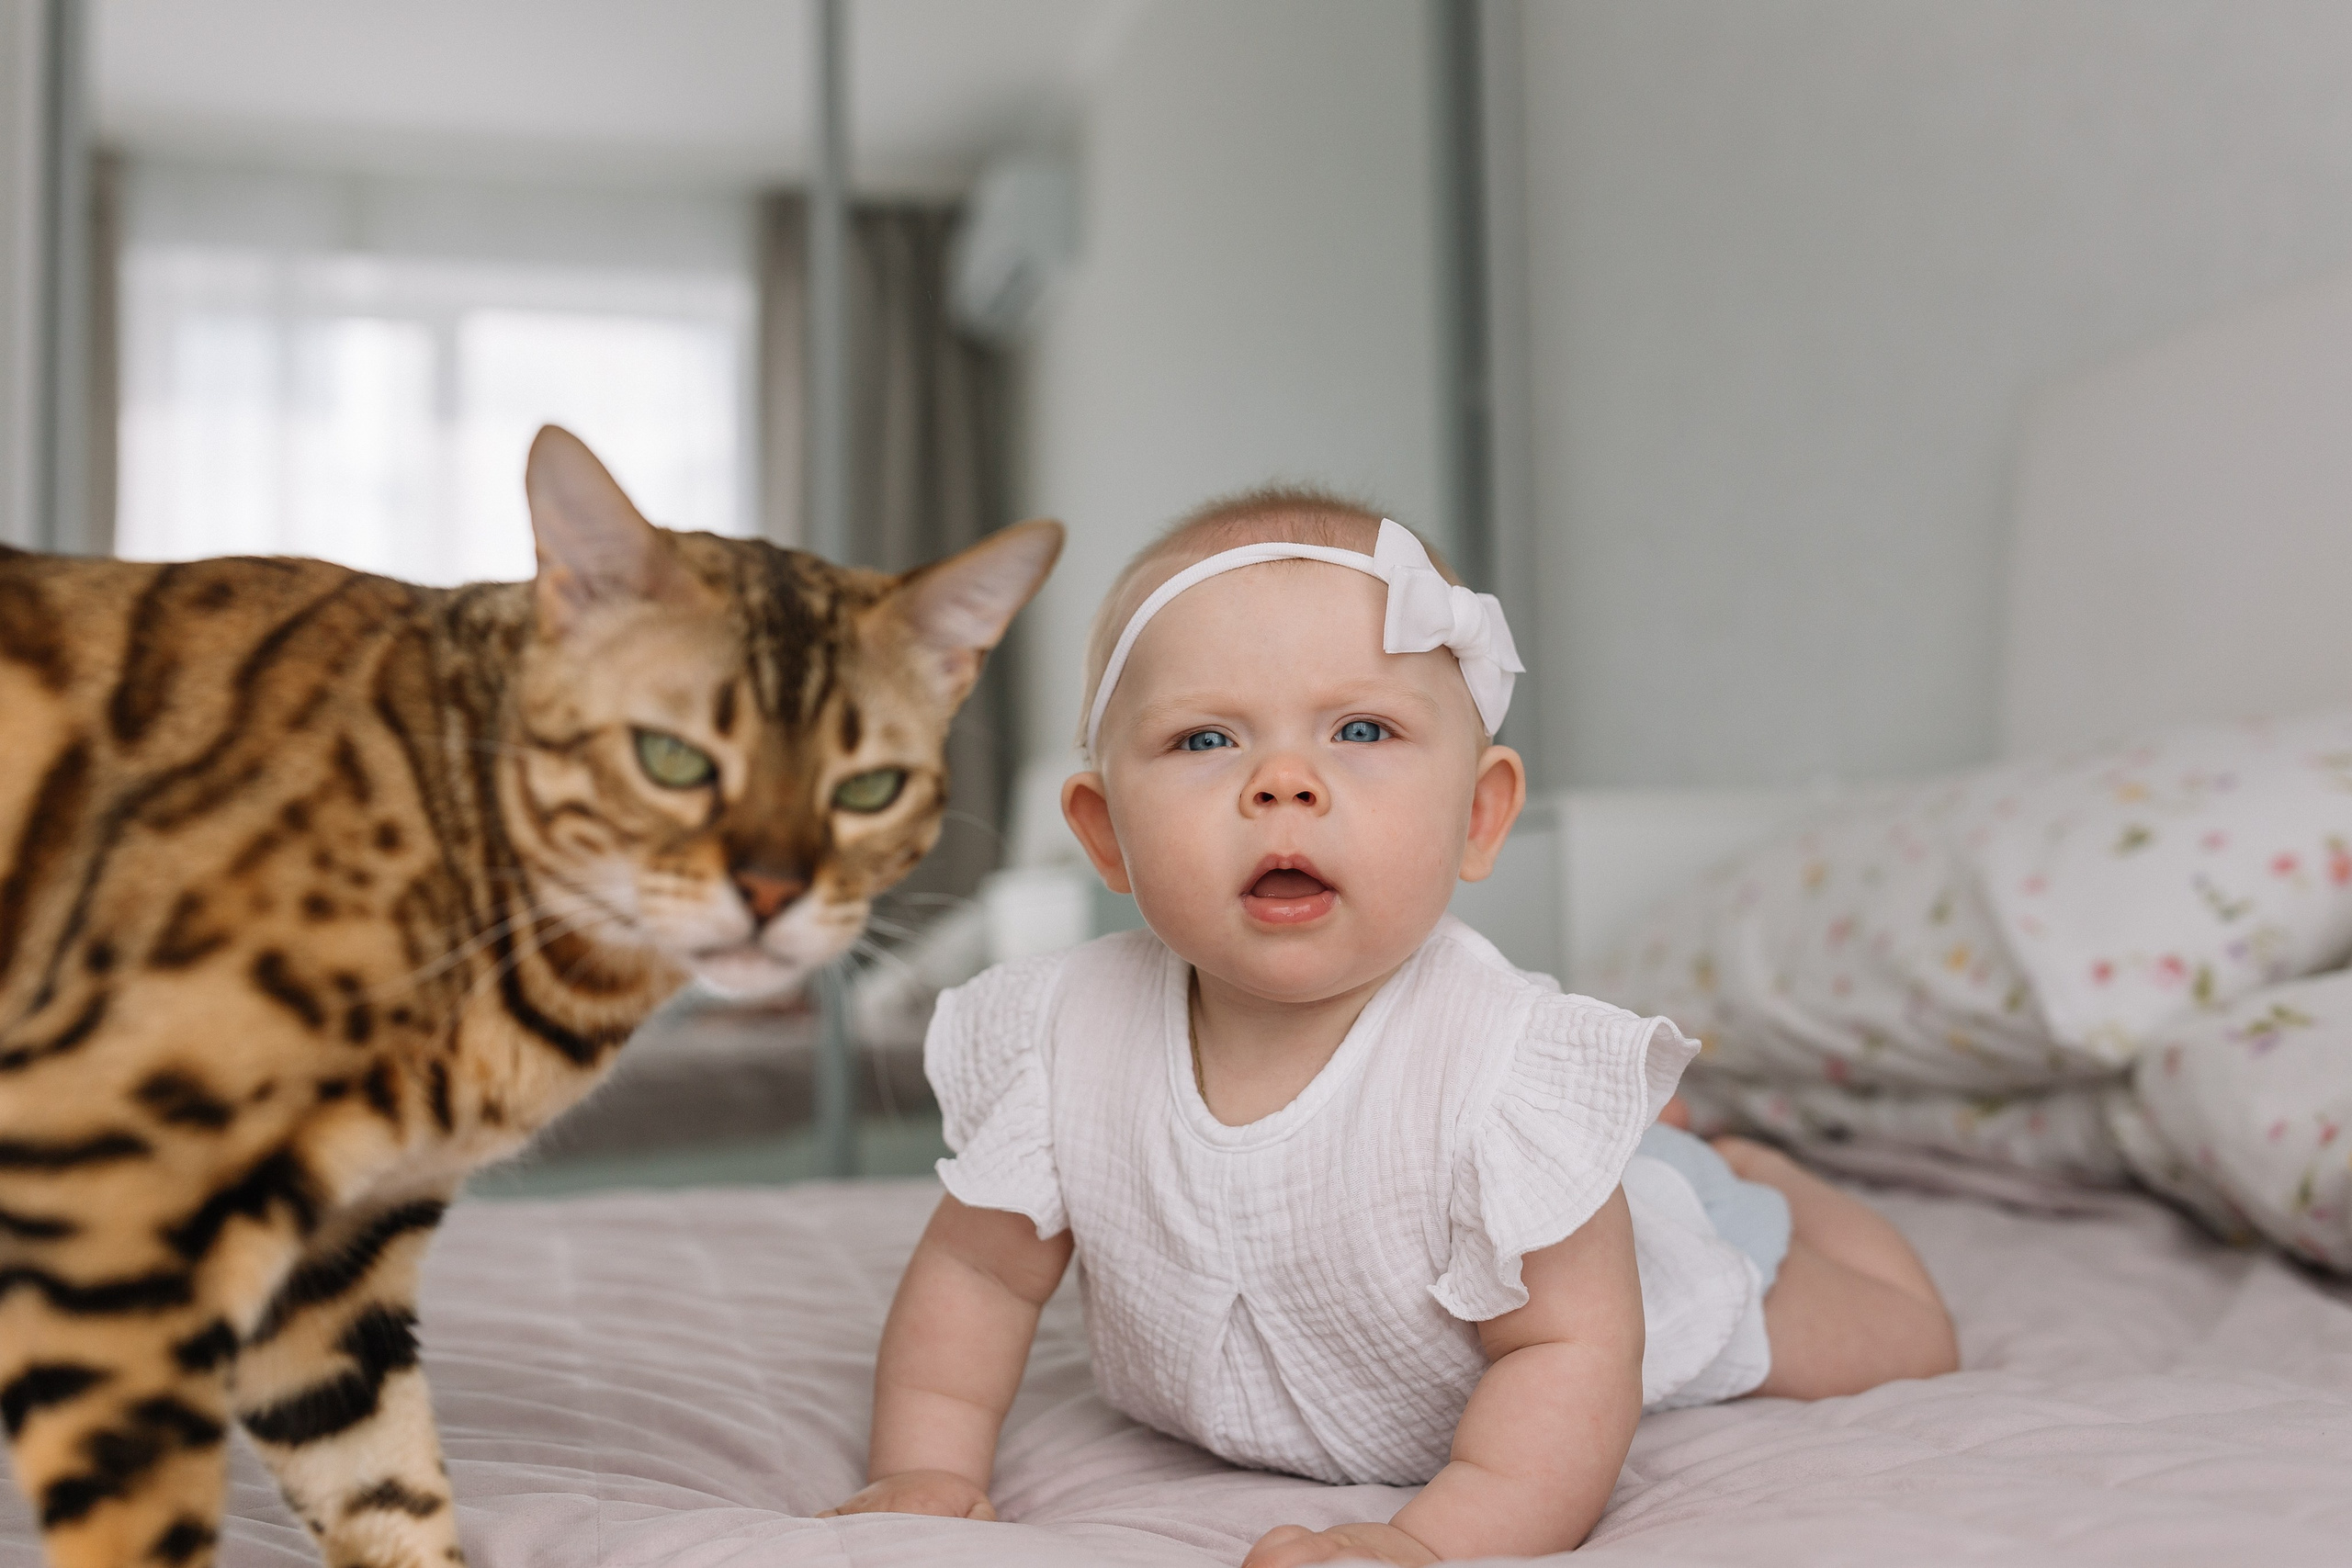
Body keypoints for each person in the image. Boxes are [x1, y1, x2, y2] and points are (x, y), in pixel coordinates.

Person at [824, 492, 1958, 1563]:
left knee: (1904, 1342)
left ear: (1478, 816)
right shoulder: (1063, 1038)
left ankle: (1764, 1178)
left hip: (1632, 1272)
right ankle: (1701, 1155)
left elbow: (1573, 1353)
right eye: (1205, 741)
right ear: (1104, 832)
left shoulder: (1497, 1065)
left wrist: (1433, 1540)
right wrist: (921, 1468)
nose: (1282, 783)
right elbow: (977, 1283)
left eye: (1359, 728)